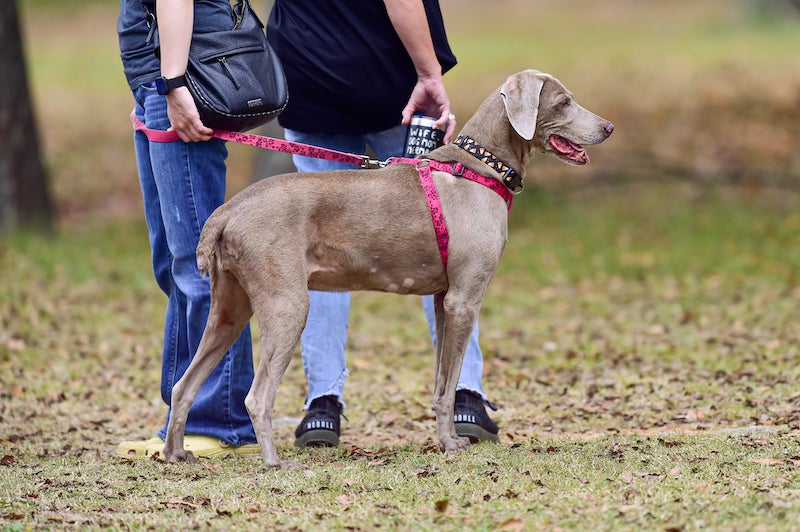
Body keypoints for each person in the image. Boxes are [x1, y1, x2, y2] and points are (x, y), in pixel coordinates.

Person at [266, 0, 500, 448]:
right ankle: (465, 394)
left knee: (315, 251)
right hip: (394, 84)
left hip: (308, 77)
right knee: (443, 241)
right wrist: (430, 74)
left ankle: (322, 406)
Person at [115, 0, 260, 458]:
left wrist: (175, 84)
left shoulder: (178, 81)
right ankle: (181, 418)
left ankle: (221, 423)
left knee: (202, 267)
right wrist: (148, 90)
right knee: (174, 264)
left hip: (183, 79)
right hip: (159, 86)